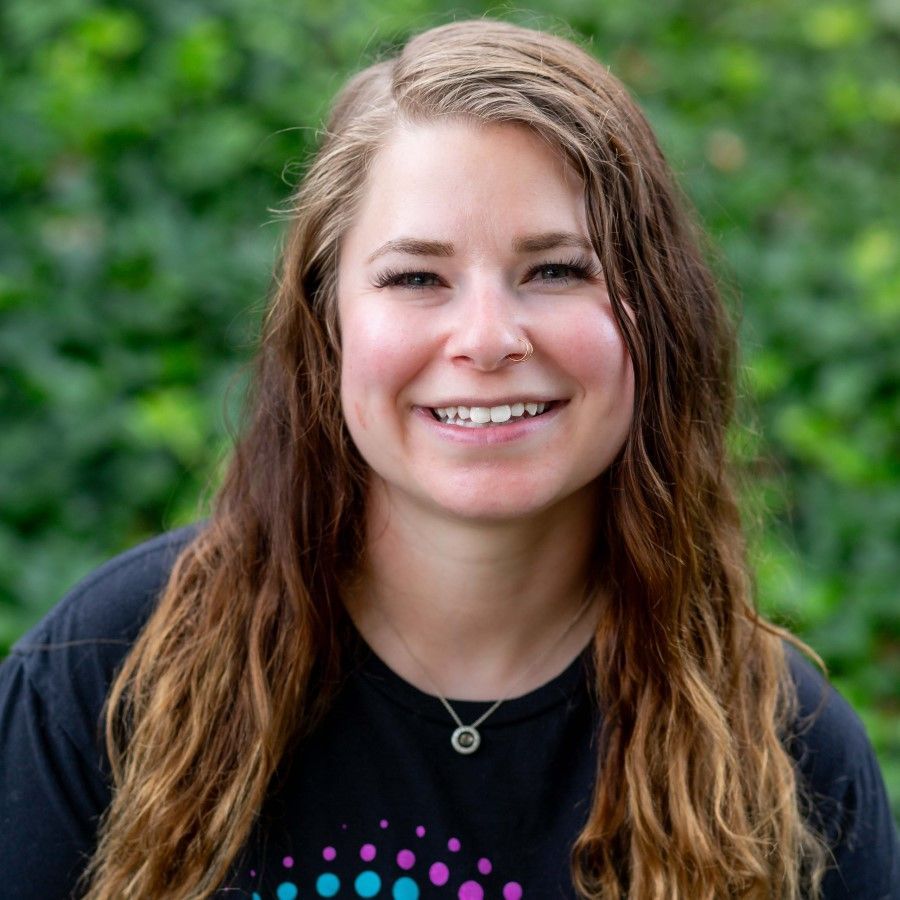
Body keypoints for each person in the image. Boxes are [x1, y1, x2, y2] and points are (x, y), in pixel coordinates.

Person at [0, 17, 897, 900]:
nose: (488, 338)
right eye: (416, 277)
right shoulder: (112, 671)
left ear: (656, 312)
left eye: (556, 269)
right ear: (326, 322)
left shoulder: (788, 754)